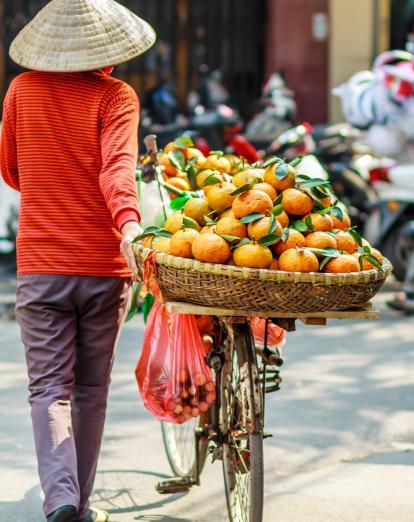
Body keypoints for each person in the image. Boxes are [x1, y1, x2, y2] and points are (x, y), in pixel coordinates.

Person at [0, 1, 155, 521]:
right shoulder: (117, 96)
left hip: (41, 264)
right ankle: (78, 505)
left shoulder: (22, 91)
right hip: (103, 268)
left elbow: (12, 170)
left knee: (48, 389)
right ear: (110, 51)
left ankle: (61, 498)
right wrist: (129, 225)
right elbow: (118, 170)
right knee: (90, 390)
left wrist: (52, 180)